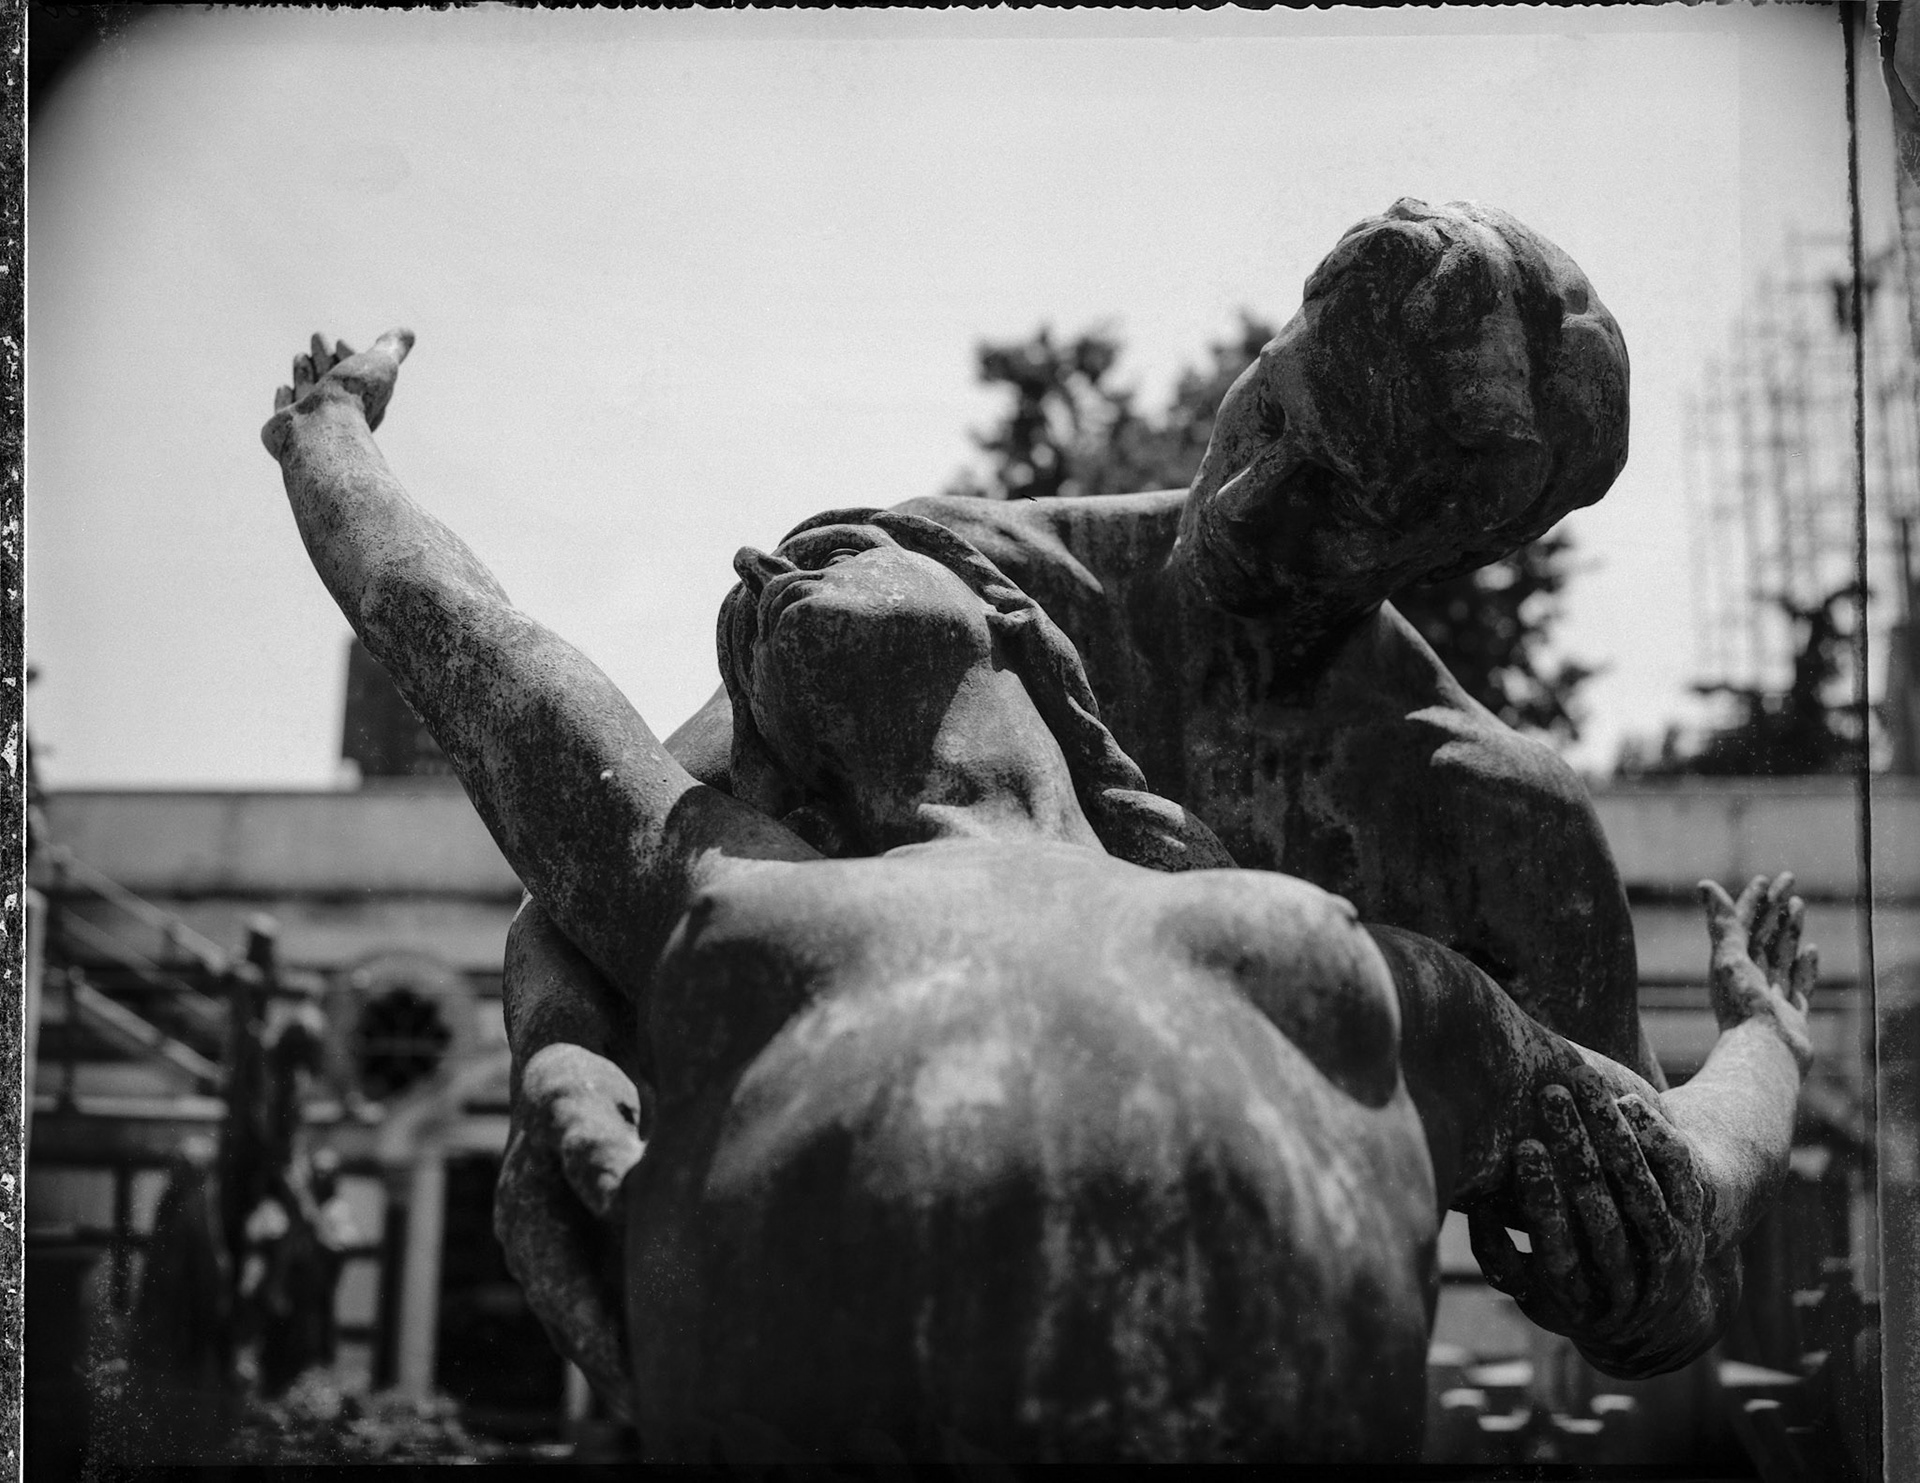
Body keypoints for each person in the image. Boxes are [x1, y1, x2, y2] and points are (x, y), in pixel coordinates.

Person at [260, 331, 1815, 1461]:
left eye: (1345, 488)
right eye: (1270, 404)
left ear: (1015, 645)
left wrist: (1759, 1058)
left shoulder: (1369, 916)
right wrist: (327, 434)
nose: (767, 573)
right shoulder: (739, 887)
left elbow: (1665, 1181)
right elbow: (493, 689)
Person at [507, 199, 1719, 1396]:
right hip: (848, 1334)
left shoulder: (1492, 822)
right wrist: (560, 1056)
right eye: (1272, 410)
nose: (1251, 501)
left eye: (1342, 498)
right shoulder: (945, 588)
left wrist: (1638, 1294)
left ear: (1451, 556)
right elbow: (610, 849)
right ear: (1264, 351)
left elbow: (1667, 1226)